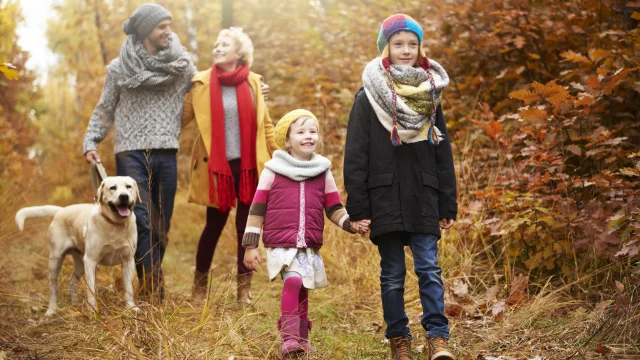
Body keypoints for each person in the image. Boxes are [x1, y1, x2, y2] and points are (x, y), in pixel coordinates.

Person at [343, 14, 457, 360]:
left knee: (428, 269)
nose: (405, 50)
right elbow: (356, 155)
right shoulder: (367, 97)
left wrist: (447, 203)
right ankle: (399, 340)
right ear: (386, 48)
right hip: (385, 197)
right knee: (392, 274)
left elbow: (443, 151)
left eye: (412, 44)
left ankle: (438, 338)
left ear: (420, 48)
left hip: (424, 194)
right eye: (398, 44)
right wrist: (359, 208)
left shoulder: (430, 95)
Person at [83, 3, 197, 302]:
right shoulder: (120, 68)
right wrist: (91, 142)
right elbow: (105, 108)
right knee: (142, 219)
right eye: (162, 26)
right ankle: (155, 290)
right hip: (130, 151)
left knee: (162, 224)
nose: (168, 31)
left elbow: (206, 87)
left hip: (166, 152)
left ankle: (146, 280)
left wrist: (253, 86)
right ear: (147, 30)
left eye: (170, 25)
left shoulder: (182, 66)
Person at [242, 109, 368, 358]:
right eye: (300, 132)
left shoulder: (322, 171)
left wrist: (350, 224)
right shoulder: (273, 170)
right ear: (287, 141)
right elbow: (257, 209)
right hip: (281, 242)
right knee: (293, 281)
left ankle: (302, 338)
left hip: (308, 243)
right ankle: (289, 337)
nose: (308, 136)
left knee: (303, 288)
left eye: (313, 131)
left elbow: (333, 207)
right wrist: (250, 245)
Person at [181, 27, 277, 304]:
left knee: (246, 230)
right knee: (212, 227)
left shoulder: (255, 84)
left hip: (248, 167)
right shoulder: (200, 84)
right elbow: (180, 119)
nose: (218, 47)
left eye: (225, 44)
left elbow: (267, 127)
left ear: (239, 53)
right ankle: (199, 288)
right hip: (217, 169)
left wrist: (281, 158)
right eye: (216, 43)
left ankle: (243, 290)